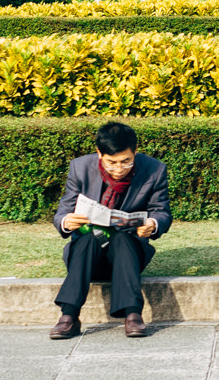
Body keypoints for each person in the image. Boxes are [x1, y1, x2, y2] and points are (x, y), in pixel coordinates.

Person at [49, 121, 171, 338]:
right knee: (87, 240)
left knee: (122, 239)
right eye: (111, 162)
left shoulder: (154, 169)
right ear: (99, 154)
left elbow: (161, 212)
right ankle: (68, 316)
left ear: (135, 151)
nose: (119, 169)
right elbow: (62, 211)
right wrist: (67, 221)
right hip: (86, 258)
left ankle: (133, 315)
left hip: (128, 257)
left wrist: (152, 224)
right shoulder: (80, 168)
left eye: (126, 161)